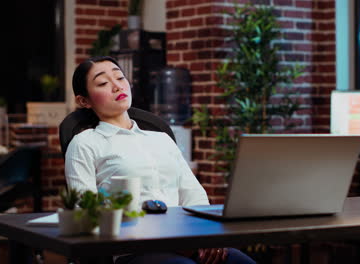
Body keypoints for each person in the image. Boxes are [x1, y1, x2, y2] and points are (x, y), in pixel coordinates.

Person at [65, 56, 256, 264]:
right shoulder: (84, 143)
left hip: (186, 241)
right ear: (84, 100)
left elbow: (193, 194)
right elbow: (83, 212)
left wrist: (207, 237)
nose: (116, 86)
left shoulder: (161, 138)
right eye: (103, 83)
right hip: (133, 250)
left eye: (120, 77)